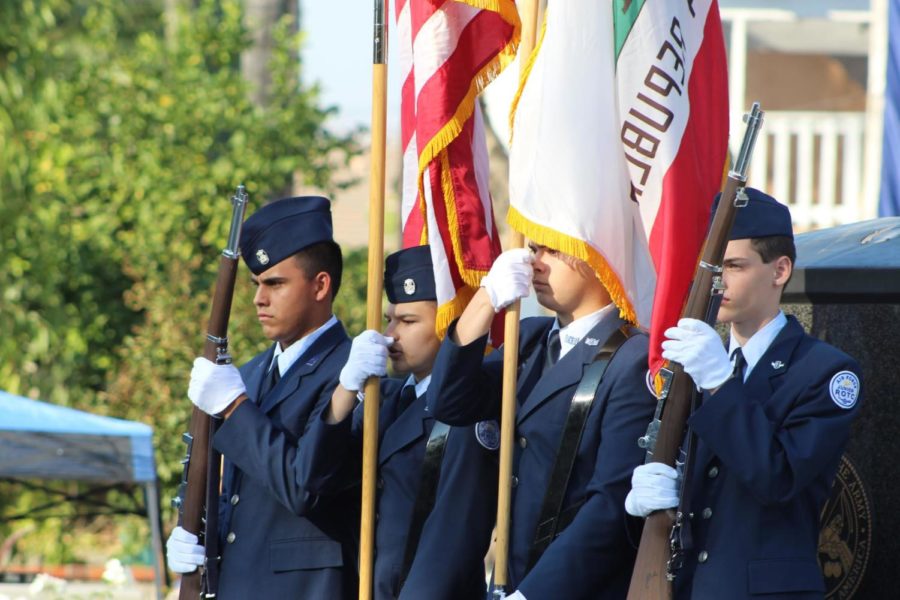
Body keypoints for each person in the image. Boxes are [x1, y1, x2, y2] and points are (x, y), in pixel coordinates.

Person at [625, 188, 863, 598]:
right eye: (715, 267)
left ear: (780, 270)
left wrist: (720, 385)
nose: (720, 280)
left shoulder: (826, 372)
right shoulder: (696, 368)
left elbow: (778, 477)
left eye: (735, 265)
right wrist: (656, 496)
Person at [427, 242, 657, 599]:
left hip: (573, 588)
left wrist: (533, 594)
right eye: (534, 249)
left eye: (552, 250)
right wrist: (486, 298)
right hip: (510, 578)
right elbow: (449, 401)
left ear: (598, 255)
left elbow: (611, 503)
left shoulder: (632, 357)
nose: (535, 263)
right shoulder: (529, 340)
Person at [164, 196, 358, 599]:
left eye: (275, 283)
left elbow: (305, 488)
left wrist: (236, 409)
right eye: (257, 285)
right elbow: (229, 492)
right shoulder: (249, 374)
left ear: (321, 285)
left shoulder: (352, 373)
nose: (259, 299)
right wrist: (192, 531)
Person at [300, 245, 498, 600]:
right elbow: (316, 476)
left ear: (449, 323)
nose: (390, 334)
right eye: (389, 318)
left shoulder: (468, 413)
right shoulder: (383, 399)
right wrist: (346, 390)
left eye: (407, 322)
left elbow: (454, 536)